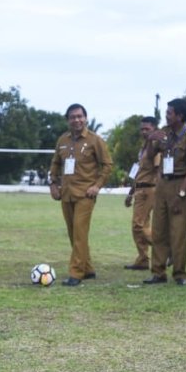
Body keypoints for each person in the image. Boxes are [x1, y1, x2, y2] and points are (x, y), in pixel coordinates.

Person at [49, 104, 113, 286]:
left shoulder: (95, 140)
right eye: (72, 117)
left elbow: (107, 165)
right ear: (67, 120)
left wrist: (97, 186)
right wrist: (53, 183)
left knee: (79, 232)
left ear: (85, 118)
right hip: (66, 194)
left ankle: (76, 273)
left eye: (80, 116)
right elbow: (55, 163)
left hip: (85, 194)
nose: (76, 120)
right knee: (73, 233)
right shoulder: (62, 140)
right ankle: (88, 268)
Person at [143, 98, 186, 286]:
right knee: (159, 231)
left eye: (169, 113)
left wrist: (182, 194)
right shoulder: (164, 134)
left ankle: (179, 274)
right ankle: (158, 272)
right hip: (162, 185)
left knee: (178, 233)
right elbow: (150, 157)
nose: (166, 116)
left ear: (180, 116)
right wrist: (151, 142)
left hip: (180, 184)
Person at [123, 116, 160, 271]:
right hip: (139, 189)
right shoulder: (143, 148)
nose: (144, 132)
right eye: (142, 129)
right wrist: (131, 193)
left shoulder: (155, 149)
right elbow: (138, 172)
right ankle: (143, 259)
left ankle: (165, 248)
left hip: (149, 190)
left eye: (147, 129)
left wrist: (158, 191)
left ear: (154, 130)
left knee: (138, 226)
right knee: (140, 225)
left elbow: (158, 170)